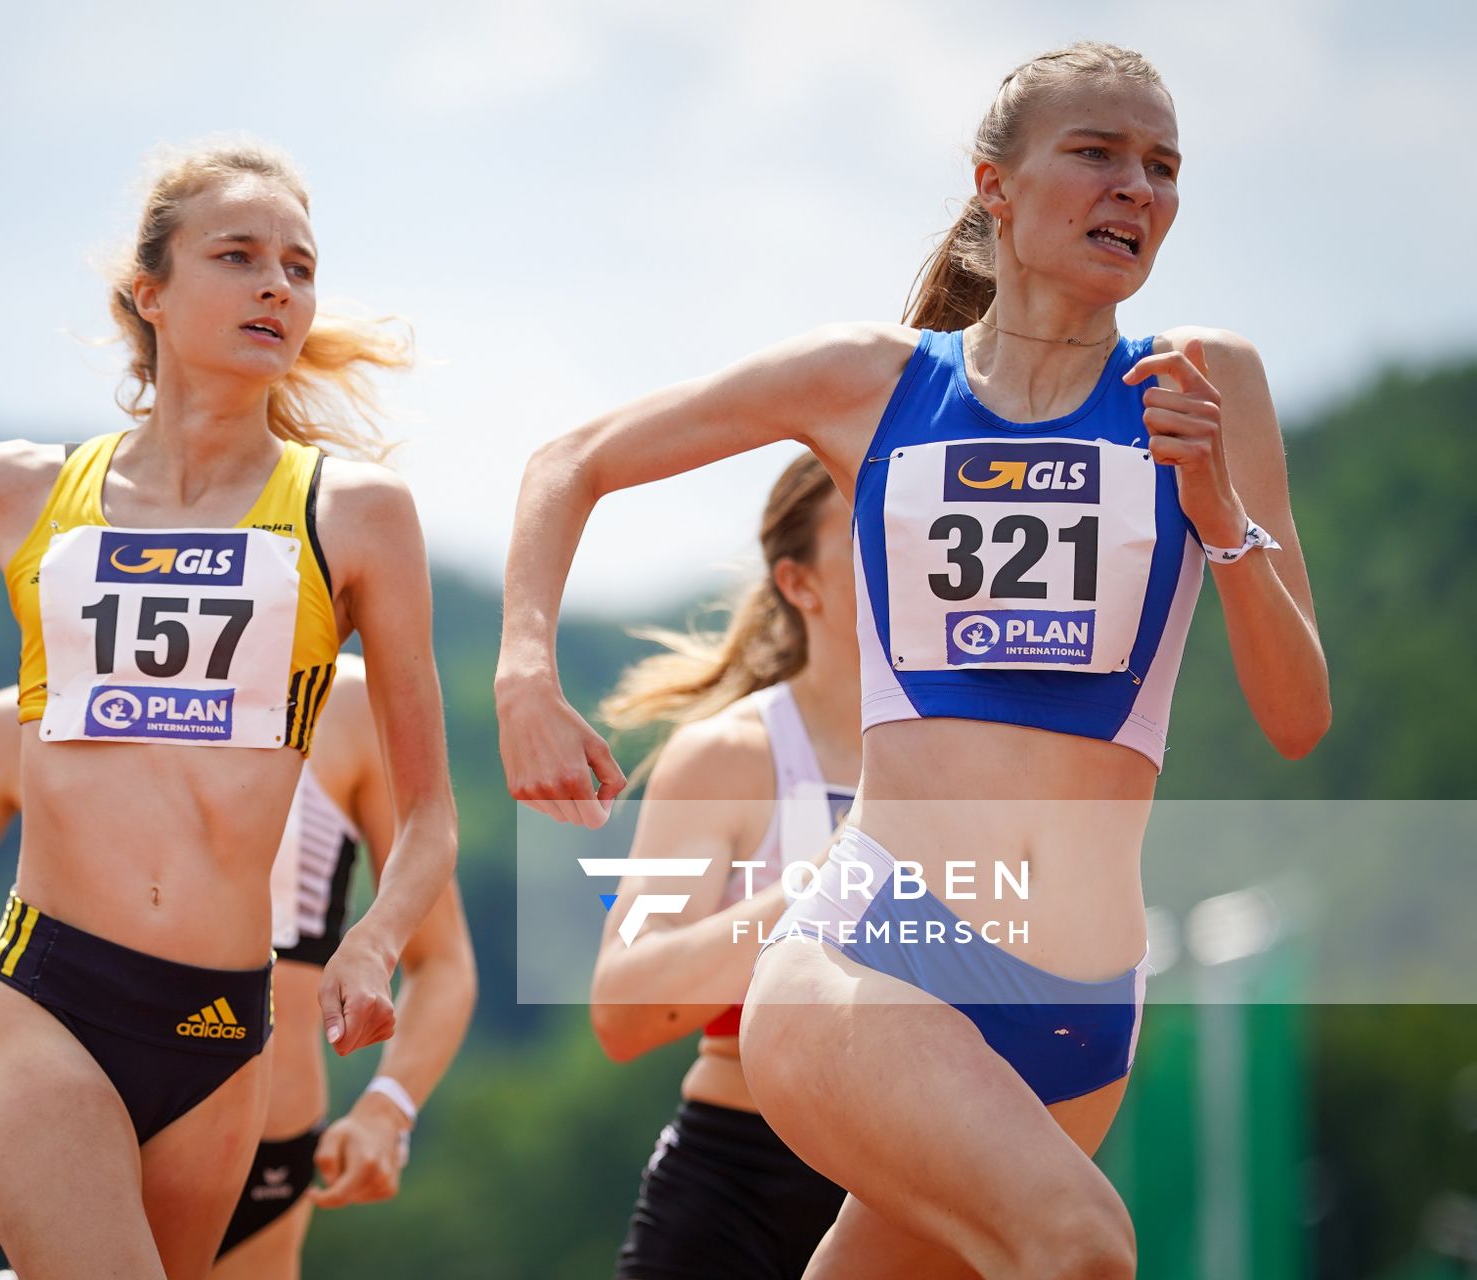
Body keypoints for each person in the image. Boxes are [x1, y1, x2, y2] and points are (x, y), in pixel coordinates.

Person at [496, 42, 1328, 1278]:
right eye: (1096, 153)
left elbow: (1298, 713)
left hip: (1084, 1008)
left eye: (1162, 167)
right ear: (995, 183)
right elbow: (574, 457)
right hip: (871, 949)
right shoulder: (872, 383)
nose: (1136, 190)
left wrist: (1217, 508)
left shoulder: (1204, 381)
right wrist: (524, 672)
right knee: (1085, 1244)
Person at [0, 139, 456, 1279]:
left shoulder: (360, 513)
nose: (277, 286)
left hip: (223, 1031)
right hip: (49, 992)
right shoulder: (24, 487)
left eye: (299, 265)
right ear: (151, 292)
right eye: (237, 257)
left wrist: (375, 941)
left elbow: (431, 813)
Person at [0, 661, 475, 1279]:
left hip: (262, 1151)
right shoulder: (24, 712)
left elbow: (441, 960)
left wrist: (387, 1109)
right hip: (68, 1131)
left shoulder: (343, 704)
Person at [590, 454, 859, 1279]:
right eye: (874, 528)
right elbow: (625, 1005)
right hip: (741, 1192)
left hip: (936, 1186)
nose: (910, 551)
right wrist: (830, 877)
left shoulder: (988, 757)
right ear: (800, 583)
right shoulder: (731, 757)